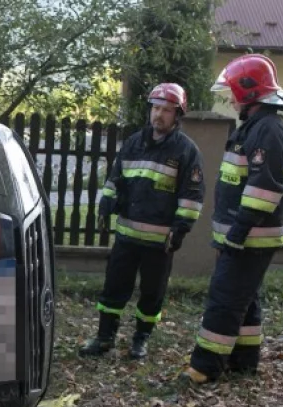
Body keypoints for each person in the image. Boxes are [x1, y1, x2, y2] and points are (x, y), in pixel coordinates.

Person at [181, 53, 283, 385]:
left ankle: (204, 367)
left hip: (250, 236)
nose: (231, 99)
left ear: (248, 92)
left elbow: (264, 189)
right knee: (245, 300)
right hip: (248, 235)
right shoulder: (257, 127)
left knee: (225, 298)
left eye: (233, 92)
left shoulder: (267, 131)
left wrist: (238, 231)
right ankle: (244, 361)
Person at [79, 83, 205, 359]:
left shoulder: (186, 151)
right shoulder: (134, 142)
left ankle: (141, 339)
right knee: (114, 287)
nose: (158, 115)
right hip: (126, 236)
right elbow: (115, 177)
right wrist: (105, 204)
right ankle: (104, 337)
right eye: (156, 108)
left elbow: (192, 196)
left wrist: (180, 230)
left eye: (166, 110)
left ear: (177, 115)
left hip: (160, 243)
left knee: (152, 294)